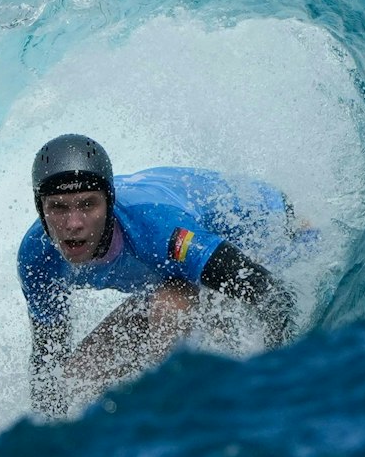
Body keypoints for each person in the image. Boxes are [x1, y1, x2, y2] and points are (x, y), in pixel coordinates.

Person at [18, 133, 303, 415]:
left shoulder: (161, 232)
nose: (74, 223)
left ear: (109, 202)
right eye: (58, 207)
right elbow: (47, 362)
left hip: (271, 227)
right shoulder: (37, 257)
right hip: (178, 275)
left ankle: (182, 420)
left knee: (168, 311)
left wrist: (274, 380)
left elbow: (273, 295)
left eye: (88, 204)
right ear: (40, 208)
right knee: (73, 379)